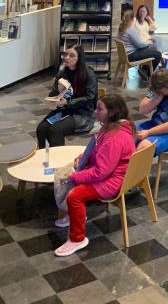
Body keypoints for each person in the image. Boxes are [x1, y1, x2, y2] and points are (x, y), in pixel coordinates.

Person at [54, 94, 136, 257]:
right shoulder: (111, 127)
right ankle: (74, 215)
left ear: (111, 113)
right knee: (70, 173)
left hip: (113, 180)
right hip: (109, 173)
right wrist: (83, 158)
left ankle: (77, 239)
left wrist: (75, 176)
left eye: (99, 109)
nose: (94, 112)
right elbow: (98, 151)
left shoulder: (114, 138)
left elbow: (100, 172)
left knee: (75, 196)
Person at [36, 44, 97, 148]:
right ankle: (44, 156)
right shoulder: (62, 72)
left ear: (79, 58)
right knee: (41, 128)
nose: (67, 58)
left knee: (55, 130)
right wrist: (56, 95)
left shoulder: (89, 74)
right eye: (65, 54)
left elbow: (90, 98)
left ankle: (58, 156)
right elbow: (53, 93)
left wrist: (67, 102)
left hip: (82, 113)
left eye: (71, 55)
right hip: (64, 111)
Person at [117, 9, 162, 74]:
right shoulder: (130, 29)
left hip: (124, 55)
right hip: (131, 55)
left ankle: (143, 70)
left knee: (149, 49)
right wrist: (149, 42)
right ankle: (147, 74)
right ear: (132, 19)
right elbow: (140, 44)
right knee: (158, 54)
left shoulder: (121, 27)